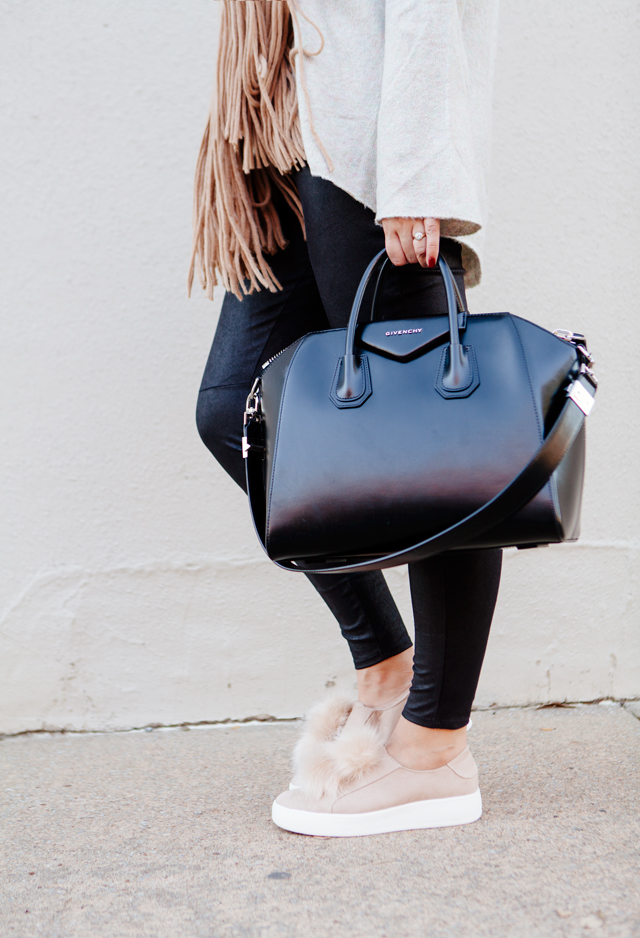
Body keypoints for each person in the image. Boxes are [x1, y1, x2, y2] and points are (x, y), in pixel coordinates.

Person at [191, 0, 501, 836]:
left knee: (438, 445)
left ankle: (437, 746)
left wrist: (414, 179)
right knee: (235, 408)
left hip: (369, 152)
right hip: (290, 135)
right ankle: (387, 666)